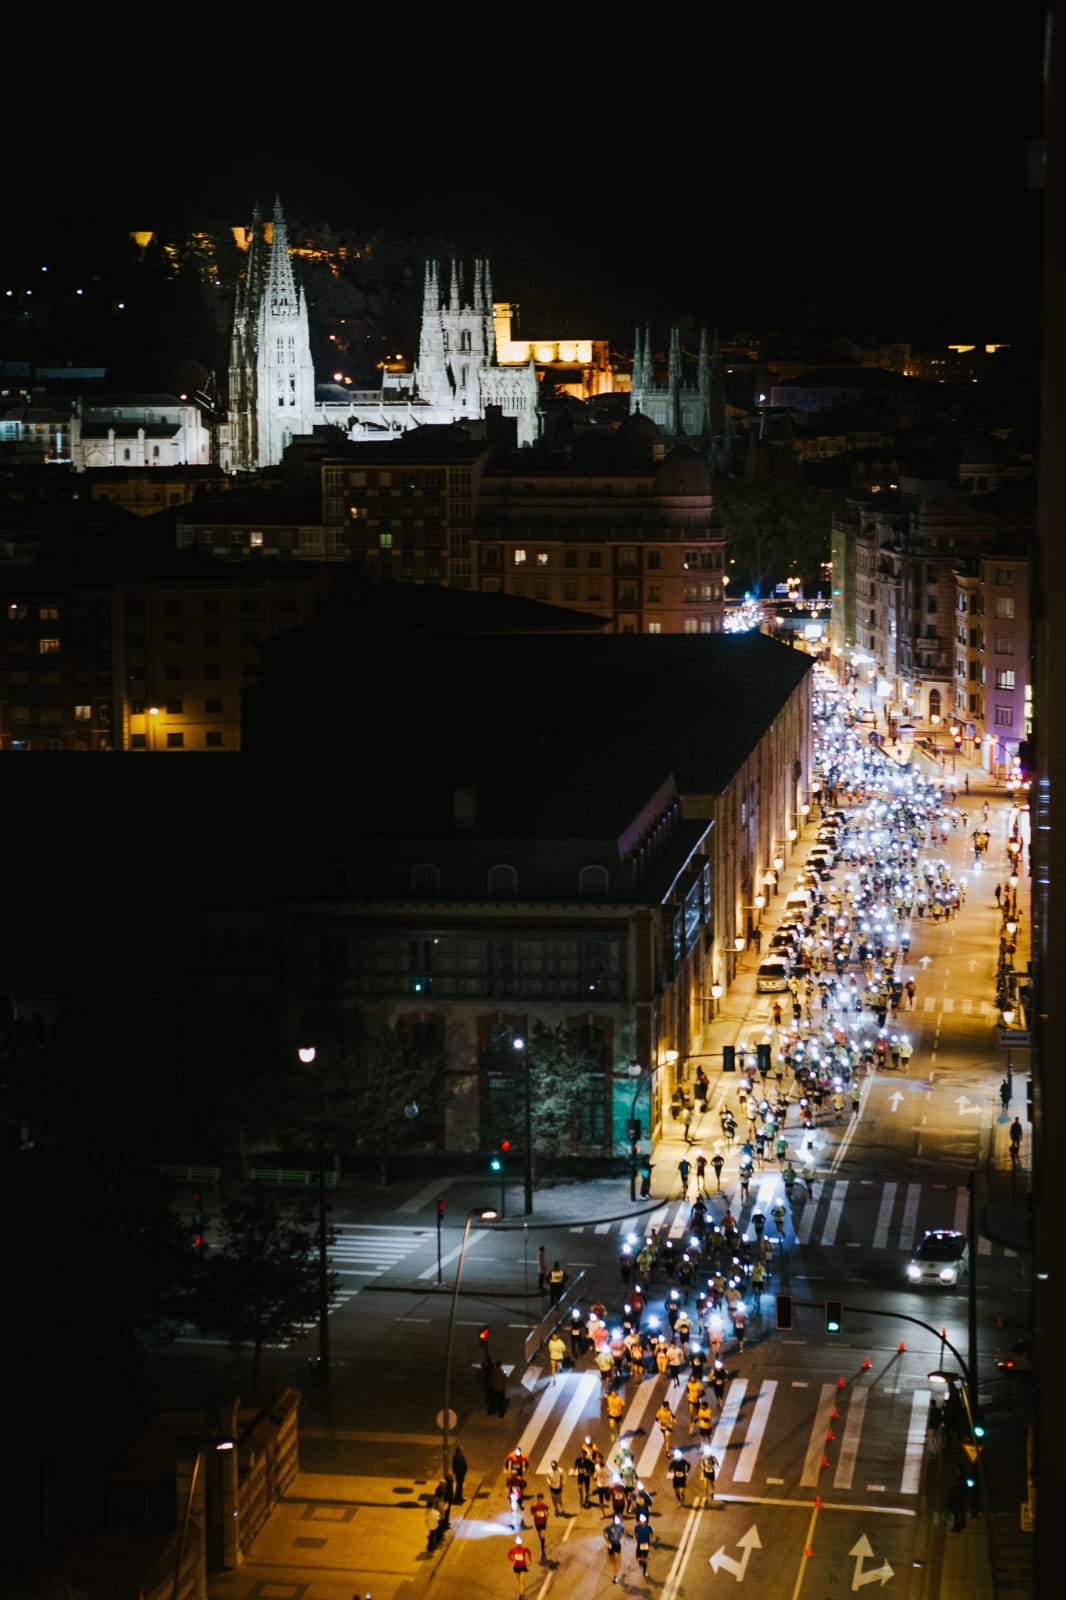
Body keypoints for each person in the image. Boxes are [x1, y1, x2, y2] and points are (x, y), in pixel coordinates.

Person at [604, 1515, 627, 1582]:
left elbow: (624, 1532)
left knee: (616, 1561)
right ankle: (610, 1557)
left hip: (617, 1545)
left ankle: (615, 1576)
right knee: (611, 1559)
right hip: (610, 1544)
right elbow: (604, 1532)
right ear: (613, 1520)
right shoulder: (609, 1526)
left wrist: (624, 1539)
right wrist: (607, 1540)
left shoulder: (621, 1526)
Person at [634, 1512, 652, 1576]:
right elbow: (635, 1533)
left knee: (645, 1558)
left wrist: (650, 1541)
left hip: (646, 1544)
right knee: (637, 1558)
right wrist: (634, 1538)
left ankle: (644, 1571)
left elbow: (652, 1534)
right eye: (640, 1521)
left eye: (643, 1521)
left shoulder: (649, 1527)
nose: (641, 1522)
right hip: (639, 1544)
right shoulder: (637, 1527)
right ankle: (641, 1562)